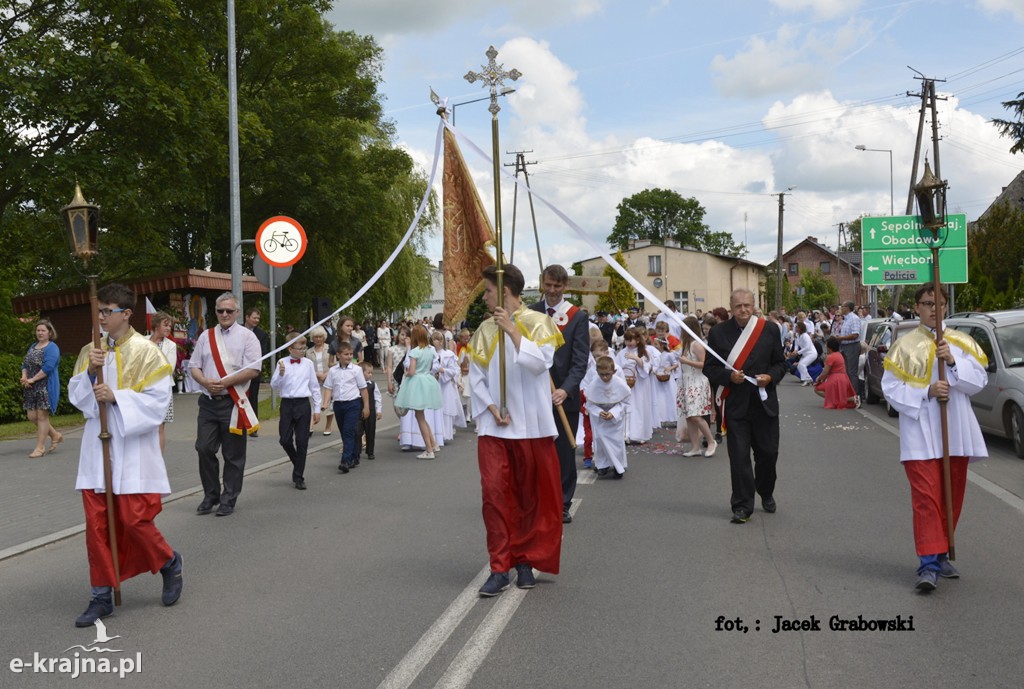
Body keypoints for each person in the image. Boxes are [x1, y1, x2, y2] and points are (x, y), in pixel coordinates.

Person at [67, 283, 182, 627]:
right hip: (96, 449)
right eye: (98, 311)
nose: (100, 317)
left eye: (107, 311)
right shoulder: (91, 350)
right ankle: (101, 596)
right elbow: (78, 397)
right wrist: (89, 373)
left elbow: (160, 401)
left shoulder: (147, 352)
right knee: (97, 526)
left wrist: (116, 397)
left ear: (126, 313)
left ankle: (169, 562)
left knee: (134, 520)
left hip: (131, 448)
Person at [881, 283, 988, 592]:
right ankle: (927, 564)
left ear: (945, 306)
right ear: (917, 308)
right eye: (927, 303)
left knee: (951, 499)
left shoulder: (961, 342)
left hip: (955, 431)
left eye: (938, 303)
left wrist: (952, 361)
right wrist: (926, 391)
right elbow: (890, 388)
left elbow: (978, 381)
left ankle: (941, 554)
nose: (933, 309)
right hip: (921, 434)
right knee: (927, 500)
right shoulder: (904, 345)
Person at [468, 263, 563, 597]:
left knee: (528, 498)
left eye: (489, 291)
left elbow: (541, 364)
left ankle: (524, 561)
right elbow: (475, 377)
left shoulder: (539, 323)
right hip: (496, 427)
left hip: (531, 426)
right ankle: (499, 567)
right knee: (494, 495)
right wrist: (491, 406)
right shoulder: (483, 330)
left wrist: (512, 331)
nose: (485, 297)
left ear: (505, 291)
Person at [702, 288, 787, 524]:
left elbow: (781, 364)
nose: (743, 310)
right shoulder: (719, 333)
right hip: (735, 406)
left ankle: (766, 490)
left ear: (754, 305)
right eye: (738, 306)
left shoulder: (769, 329)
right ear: (731, 307)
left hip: (764, 405)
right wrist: (729, 377)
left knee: (768, 455)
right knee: (739, 459)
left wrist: (770, 377)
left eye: (747, 305)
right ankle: (742, 506)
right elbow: (709, 368)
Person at [190, 292, 262, 517]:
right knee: (204, 448)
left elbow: (253, 369)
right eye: (220, 310)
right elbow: (194, 366)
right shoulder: (206, 336)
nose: (224, 314)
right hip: (208, 402)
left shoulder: (248, 337)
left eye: (229, 311)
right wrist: (204, 382)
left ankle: (228, 498)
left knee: (233, 455)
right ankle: (211, 494)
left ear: (237, 312)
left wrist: (224, 383)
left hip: (234, 402)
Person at [529, 264, 590, 524]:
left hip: (565, 397)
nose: (552, 291)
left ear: (565, 286)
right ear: (542, 283)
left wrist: (566, 389)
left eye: (557, 286)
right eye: (548, 285)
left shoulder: (577, 316)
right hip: (534, 395)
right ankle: (539, 498)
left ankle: (563, 502)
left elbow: (580, 360)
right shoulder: (530, 314)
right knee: (536, 451)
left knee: (564, 452)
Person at [270, 333, 321, 489]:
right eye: (299, 348)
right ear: (290, 348)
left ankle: (298, 476)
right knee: (284, 439)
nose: (303, 351)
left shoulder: (307, 364)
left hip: (303, 404)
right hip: (287, 404)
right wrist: (281, 374)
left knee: (302, 441)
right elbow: (274, 385)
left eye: (304, 348)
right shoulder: (281, 363)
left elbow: (314, 386)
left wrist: (317, 408)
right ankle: (297, 461)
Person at [394, 324, 443, 459]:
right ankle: (433, 444)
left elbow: (412, 371)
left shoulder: (415, 351)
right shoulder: (429, 350)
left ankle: (429, 450)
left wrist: (406, 373)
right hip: (427, 381)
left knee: (419, 416)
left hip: (417, 382)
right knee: (420, 416)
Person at [322, 342, 370, 472]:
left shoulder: (356, 370)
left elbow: (363, 389)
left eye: (350, 354)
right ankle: (354, 456)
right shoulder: (333, 371)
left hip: (353, 403)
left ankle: (345, 460)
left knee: (349, 431)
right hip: (338, 404)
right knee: (345, 432)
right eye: (346, 354)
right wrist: (325, 403)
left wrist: (366, 406)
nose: (349, 357)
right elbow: (328, 388)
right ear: (338, 355)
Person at [582, 355, 631, 479]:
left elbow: (625, 402)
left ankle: (617, 467)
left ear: (614, 372)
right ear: (597, 372)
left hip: (615, 417)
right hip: (599, 418)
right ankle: (602, 465)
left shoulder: (619, 383)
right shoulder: (594, 384)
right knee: (600, 440)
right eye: (602, 374)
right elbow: (589, 404)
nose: (605, 377)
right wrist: (599, 412)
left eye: (608, 374)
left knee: (616, 442)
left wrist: (613, 412)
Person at [21, 318, 62, 458]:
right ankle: (55, 435)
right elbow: (24, 364)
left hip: (45, 386)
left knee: (42, 416)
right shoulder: (33, 346)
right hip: (31, 387)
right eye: (38, 330)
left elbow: (48, 368)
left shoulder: (52, 347)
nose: (40, 333)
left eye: (43, 330)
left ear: (49, 333)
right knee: (32, 416)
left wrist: (32, 379)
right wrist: (24, 376)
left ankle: (40, 448)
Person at [677, 315, 716, 457]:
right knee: (689, 416)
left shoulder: (696, 344)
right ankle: (695, 447)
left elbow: (704, 364)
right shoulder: (686, 344)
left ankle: (711, 441)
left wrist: (686, 362)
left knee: (696, 415)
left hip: (697, 381)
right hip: (686, 381)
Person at [615, 327, 654, 445]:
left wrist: (636, 358)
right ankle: (626, 433)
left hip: (640, 384)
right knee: (628, 408)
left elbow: (647, 367)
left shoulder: (643, 351)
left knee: (639, 407)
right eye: (626, 340)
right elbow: (616, 366)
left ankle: (639, 434)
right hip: (626, 383)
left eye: (630, 340)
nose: (628, 343)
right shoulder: (622, 352)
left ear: (637, 340)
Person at [150, 311, 178, 453]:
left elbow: (169, 368)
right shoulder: (142, 341)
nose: (168, 329)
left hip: (162, 389)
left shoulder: (170, 345)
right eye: (165, 325)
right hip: (143, 390)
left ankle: (158, 460)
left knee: (160, 426)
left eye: (170, 326)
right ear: (156, 325)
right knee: (145, 425)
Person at [431, 329, 466, 442]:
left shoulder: (448, 354)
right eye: (434, 339)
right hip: (434, 384)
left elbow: (454, 370)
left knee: (445, 408)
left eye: (439, 339)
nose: (437, 342)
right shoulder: (431, 353)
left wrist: (442, 370)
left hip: (445, 385)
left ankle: (445, 433)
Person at [242, 307, 270, 437]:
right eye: (254, 317)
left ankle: (253, 427)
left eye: (258, 318)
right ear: (247, 317)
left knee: (252, 399)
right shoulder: (237, 330)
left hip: (253, 372)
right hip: (237, 372)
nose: (257, 320)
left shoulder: (262, 335)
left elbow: (262, 353)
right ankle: (238, 425)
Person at [813, 337, 859, 409]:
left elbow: (825, 372)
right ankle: (852, 399)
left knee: (817, 389)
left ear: (829, 348)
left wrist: (819, 379)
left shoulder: (830, 357)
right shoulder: (839, 355)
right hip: (844, 378)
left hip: (835, 379)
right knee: (837, 394)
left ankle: (849, 399)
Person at [306, 326, 333, 435]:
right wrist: (317, 374)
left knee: (328, 404)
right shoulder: (308, 352)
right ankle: (311, 425)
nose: (318, 339)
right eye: (316, 337)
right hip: (315, 379)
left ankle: (328, 426)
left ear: (324, 337)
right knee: (313, 402)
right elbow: (307, 366)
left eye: (320, 337)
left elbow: (334, 363)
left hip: (328, 378)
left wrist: (326, 374)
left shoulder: (330, 348)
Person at [356, 361, 382, 460]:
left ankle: (370, 451)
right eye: (368, 372)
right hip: (358, 411)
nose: (371, 375)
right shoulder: (356, 385)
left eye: (371, 373)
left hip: (371, 411)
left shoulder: (373, 385)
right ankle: (357, 450)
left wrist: (379, 410)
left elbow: (378, 398)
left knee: (370, 431)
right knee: (357, 431)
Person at [836, 301, 862, 394]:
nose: (841, 309)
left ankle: (855, 395)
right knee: (846, 372)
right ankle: (849, 394)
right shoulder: (846, 319)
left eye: (842, 306)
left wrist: (841, 338)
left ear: (847, 308)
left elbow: (855, 335)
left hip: (852, 346)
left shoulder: (854, 318)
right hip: (845, 346)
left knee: (851, 372)